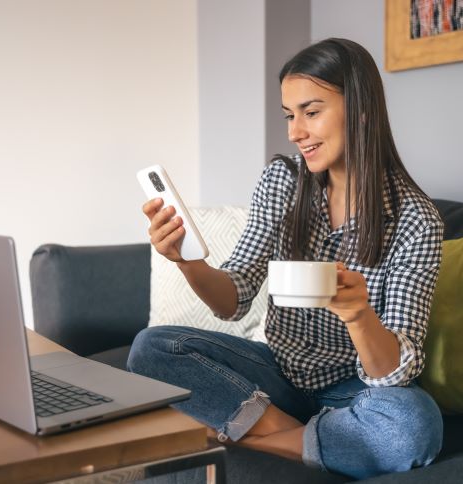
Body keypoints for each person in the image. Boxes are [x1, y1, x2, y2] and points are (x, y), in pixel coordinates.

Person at [127, 38, 444, 479]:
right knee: (152, 348)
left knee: (414, 424)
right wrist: (187, 261)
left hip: (355, 390)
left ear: (361, 109)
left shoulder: (415, 219)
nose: (295, 131)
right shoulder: (282, 180)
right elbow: (232, 299)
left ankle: (250, 438)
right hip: (275, 374)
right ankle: (305, 435)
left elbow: (394, 373)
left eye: (311, 112)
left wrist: (358, 314)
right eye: (289, 115)